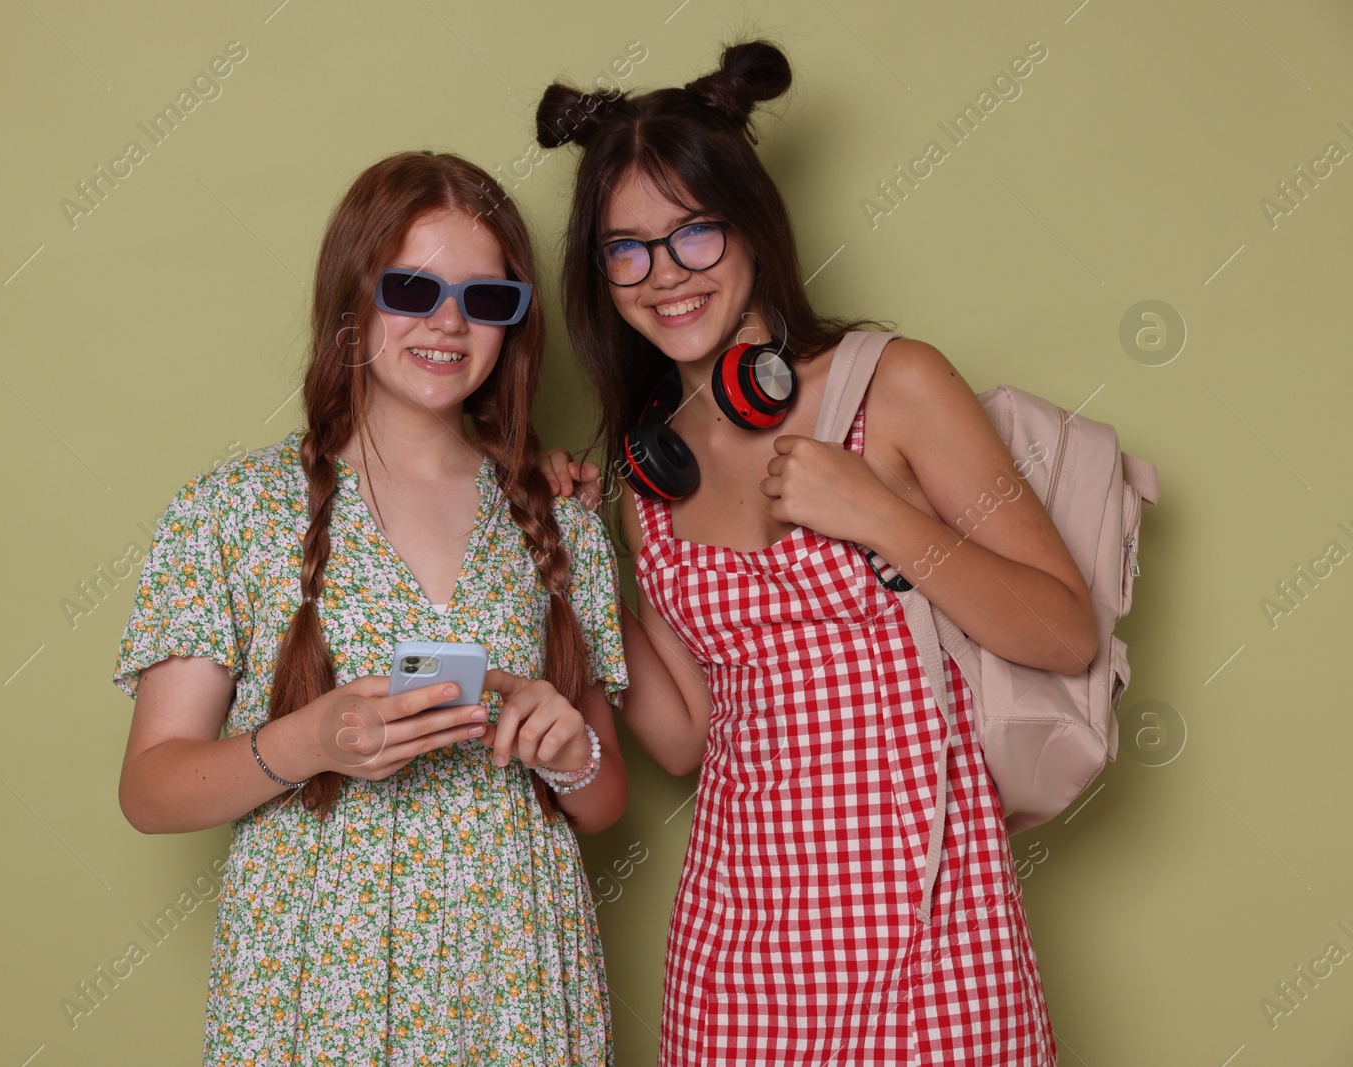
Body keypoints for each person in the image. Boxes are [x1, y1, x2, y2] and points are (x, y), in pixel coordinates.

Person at [535, 40, 1096, 1066]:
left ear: (751, 226)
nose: (664, 276)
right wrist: (571, 572)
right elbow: (688, 738)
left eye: (693, 233)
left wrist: (881, 514)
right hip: (738, 934)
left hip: (929, 922)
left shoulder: (897, 383)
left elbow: (1061, 629)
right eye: (627, 249)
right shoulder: (648, 471)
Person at [112, 150, 630, 1066]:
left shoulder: (561, 523)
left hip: (513, 983)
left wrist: (569, 752)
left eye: (485, 299)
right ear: (352, 295)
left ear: (513, 326)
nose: (447, 322)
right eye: (412, 287)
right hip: (316, 985)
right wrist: (308, 742)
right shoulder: (233, 511)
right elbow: (149, 790)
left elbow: (604, 802)